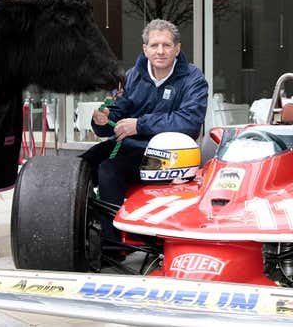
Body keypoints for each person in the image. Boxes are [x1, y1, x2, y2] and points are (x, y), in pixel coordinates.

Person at [80, 19, 208, 211]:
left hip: (170, 157)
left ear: (177, 49)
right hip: (127, 146)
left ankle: (111, 239)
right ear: (145, 49)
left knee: (109, 170)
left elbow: (189, 122)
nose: (160, 51)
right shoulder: (131, 76)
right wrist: (102, 120)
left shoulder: (193, 79)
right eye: (154, 45)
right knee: (79, 167)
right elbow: (115, 119)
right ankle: (83, 224)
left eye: (167, 45)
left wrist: (139, 125)